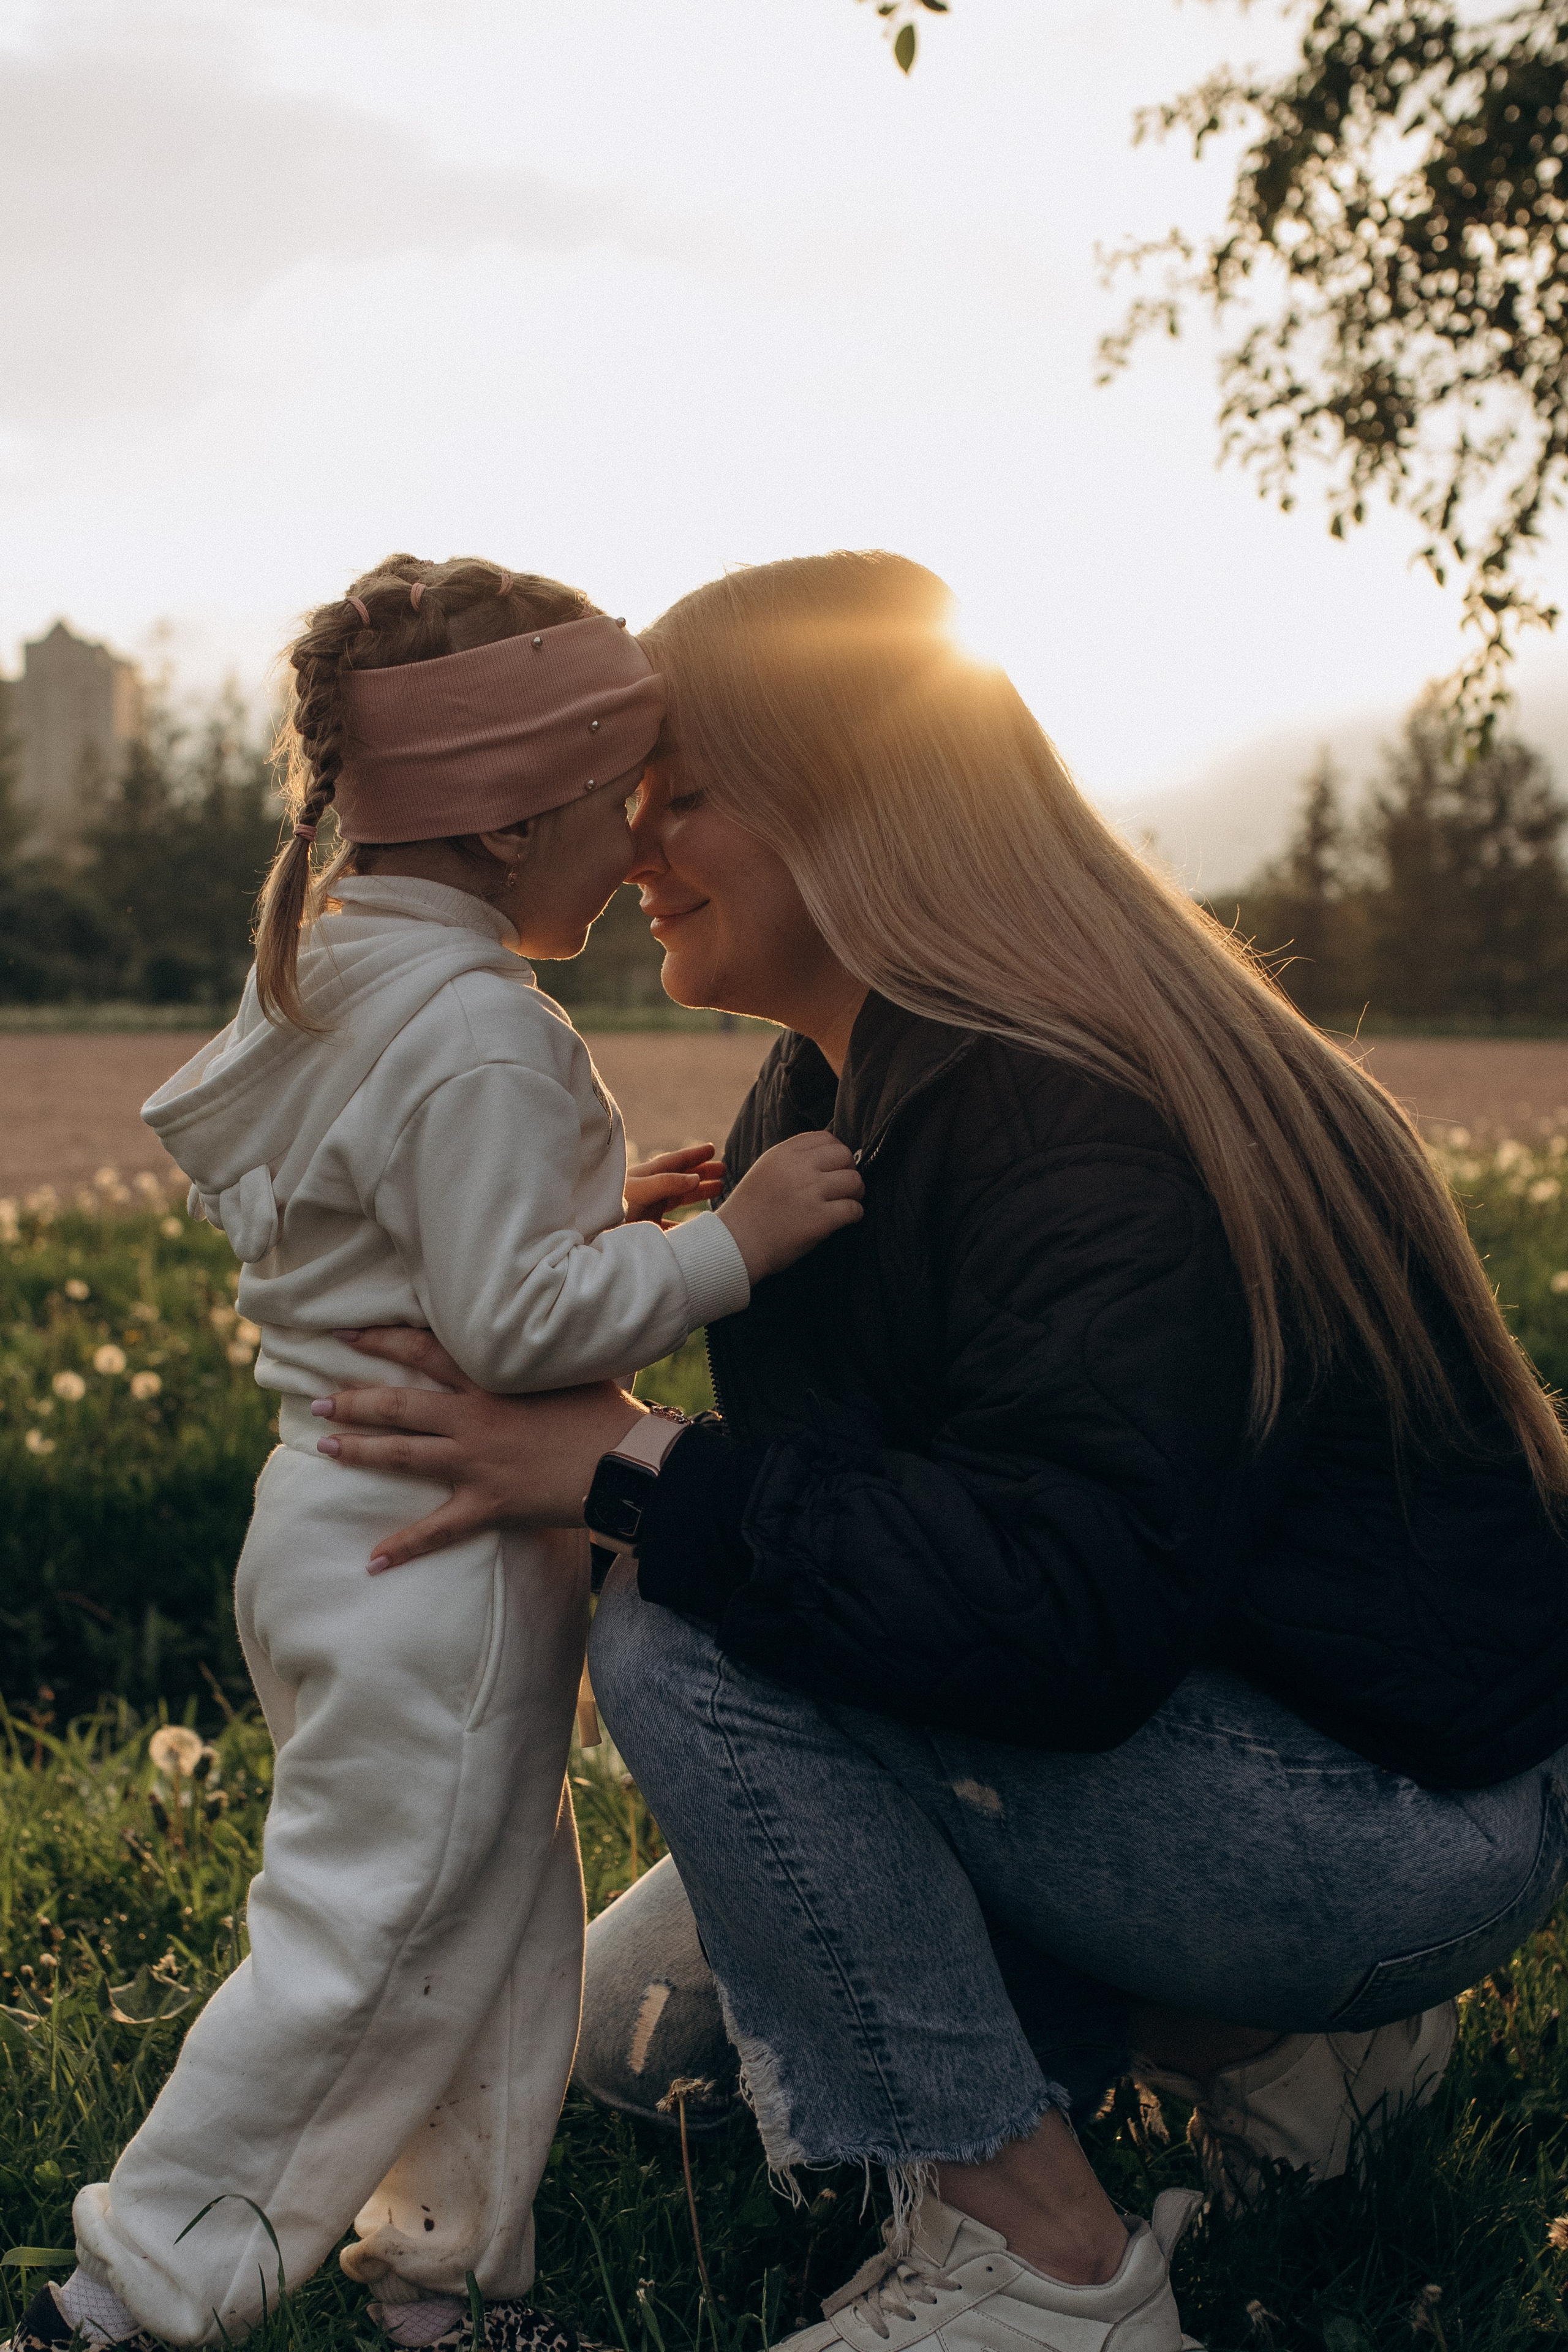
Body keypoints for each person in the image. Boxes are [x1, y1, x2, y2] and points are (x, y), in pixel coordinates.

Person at [303, 552, 1568, 2352]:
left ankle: (1036, 2261)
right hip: (1225, 1731)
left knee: (686, 1614)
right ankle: (1290, 2054)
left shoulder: (1082, 1113)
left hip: (1391, 1821)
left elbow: (1064, 1609)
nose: (634, 844)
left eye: (681, 798)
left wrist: (633, 1469)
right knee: (628, 2056)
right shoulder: (837, 1087)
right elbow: (902, 1536)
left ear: (855, 801)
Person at [17, 555, 861, 2352]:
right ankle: (130, 2296)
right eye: (612, 802)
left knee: (491, 1937)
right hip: (442, 1566)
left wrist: (580, 1206)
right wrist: (730, 1246)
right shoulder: (486, 1027)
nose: (636, 847)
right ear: (505, 820)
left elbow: (392, 1231)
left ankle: (455, 2288)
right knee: (373, 1945)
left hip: (330, 1529)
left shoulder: (338, 968)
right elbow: (509, 1337)